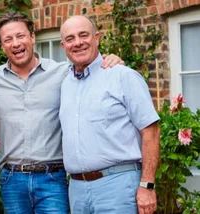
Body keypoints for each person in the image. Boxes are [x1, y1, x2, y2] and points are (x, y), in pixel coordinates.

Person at [0, 11, 123, 214]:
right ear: (2, 46)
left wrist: (112, 60)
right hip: (12, 179)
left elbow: (91, 67)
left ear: (32, 37)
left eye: (20, 36)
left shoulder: (62, 73)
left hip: (52, 178)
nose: (15, 43)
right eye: (8, 39)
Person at [59, 16, 160, 214]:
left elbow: (151, 131)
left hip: (118, 186)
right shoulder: (64, 84)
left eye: (84, 35)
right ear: (63, 45)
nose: (78, 42)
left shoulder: (122, 75)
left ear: (97, 38)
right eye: (70, 39)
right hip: (77, 190)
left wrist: (147, 186)